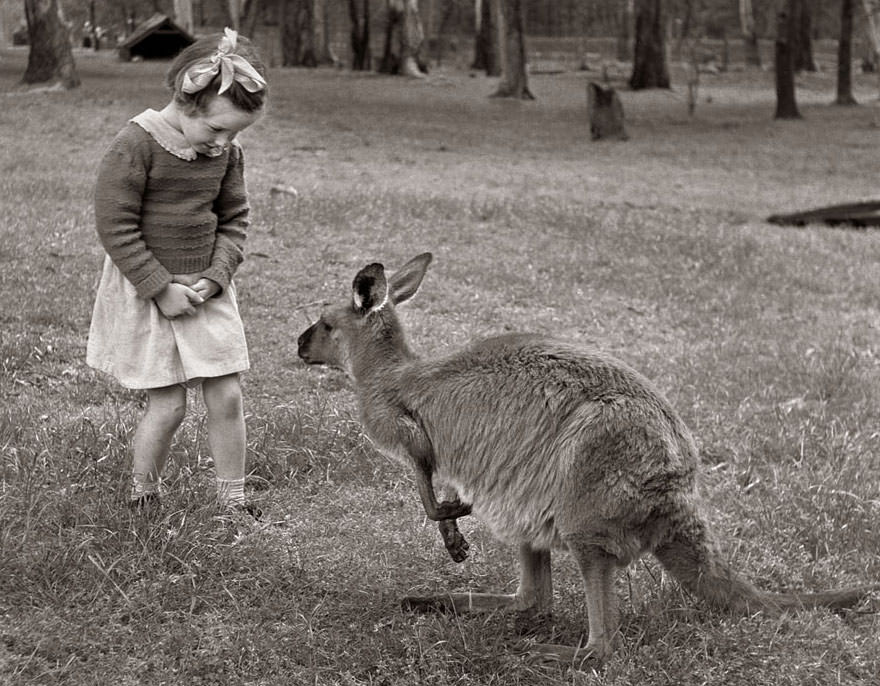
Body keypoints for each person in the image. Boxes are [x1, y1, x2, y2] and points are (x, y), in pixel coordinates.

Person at [86, 28, 268, 514]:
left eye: (235, 134)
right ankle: (143, 495)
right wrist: (159, 287)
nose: (224, 142)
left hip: (207, 291)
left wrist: (217, 274)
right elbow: (115, 224)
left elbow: (234, 220)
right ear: (186, 104)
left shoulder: (225, 153)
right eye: (216, 130)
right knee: (168, 406)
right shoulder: (136, 144)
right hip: (149, 292)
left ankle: (233, 500)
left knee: (227, 396)